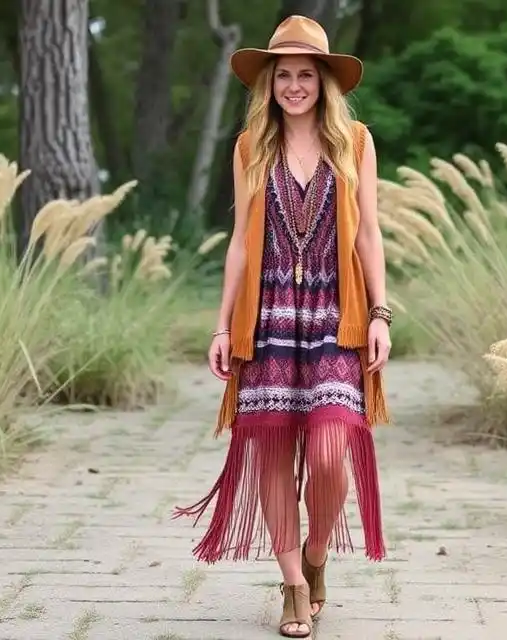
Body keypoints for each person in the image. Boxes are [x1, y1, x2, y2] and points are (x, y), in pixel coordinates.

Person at [173, 14, 392, 638]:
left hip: (335, 318)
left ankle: (318, 556)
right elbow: (240, 244)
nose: (294, 85)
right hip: (268, 317)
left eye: (306, 74)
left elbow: (370, 233)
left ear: (326, 82)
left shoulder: (357, 142)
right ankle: (293, 583)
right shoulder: (250, 147)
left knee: (328, 452)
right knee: (271, 450)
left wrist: (380, 313)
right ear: (267, 83)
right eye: (283, 75)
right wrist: (221, 327)